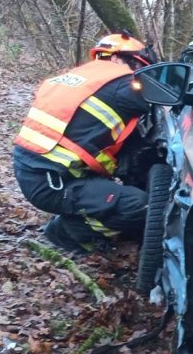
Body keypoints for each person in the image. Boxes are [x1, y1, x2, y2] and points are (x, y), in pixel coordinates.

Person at [13, 33, 154, 256]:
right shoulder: (121, 83)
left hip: (37, 172)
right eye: (137, 65)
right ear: (118, 58)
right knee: (142, 207)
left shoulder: (79, 77)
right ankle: (69, 232)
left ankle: (81, 213)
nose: (138, 72)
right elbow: (164, 100)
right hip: (53, 183)